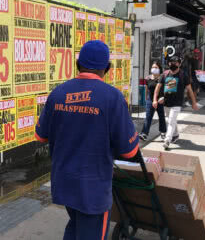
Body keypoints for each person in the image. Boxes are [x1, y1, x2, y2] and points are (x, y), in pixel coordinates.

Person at [35, 40, 140, 240]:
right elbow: (129, 151)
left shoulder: (58, 93)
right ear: (107, 69)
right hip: (93, 190)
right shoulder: (113, 98)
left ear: (77, 64)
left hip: (64, 182)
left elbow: (40, 135)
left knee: (75, 226)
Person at [153, 56, 199, 150]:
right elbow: (157, 88)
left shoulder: (183, 75)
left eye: (175, 62)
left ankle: (167, 140)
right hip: (166, 102)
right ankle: (176, 134)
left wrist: (194, 102)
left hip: (177, 103)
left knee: (171, 121)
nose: (173, 64)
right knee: (171, 120)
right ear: (168, 63)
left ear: (179, 64)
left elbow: (190, 90)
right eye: (171, 62)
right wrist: (154, 100)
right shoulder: (165, 74)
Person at [139, 61, 166, 141]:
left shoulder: (162, 77)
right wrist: (146, 98)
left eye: (156, 67)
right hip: (150, 100)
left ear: (159, 69)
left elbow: (165, 89)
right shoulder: (148, 78)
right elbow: (146, 89)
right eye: (153, 67)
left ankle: (163, 132)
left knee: (161, 117)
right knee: (148, 117)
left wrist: (164, 98)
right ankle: (144, 133)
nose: (154, 69)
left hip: (160, 100)